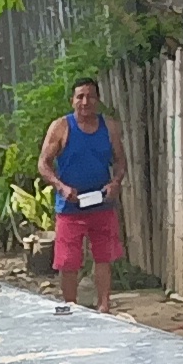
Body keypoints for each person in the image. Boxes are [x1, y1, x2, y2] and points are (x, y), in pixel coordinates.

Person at [39, 78, 124, 312]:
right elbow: (43, 164)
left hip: (101, 203)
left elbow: (120, 161)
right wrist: (61, 187)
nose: (85, 102)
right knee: (68, 261)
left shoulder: (109, 127)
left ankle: (104, 306)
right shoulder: (61, 127)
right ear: (72, 100)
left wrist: (115, 182)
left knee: (104, 257)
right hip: (70, 206)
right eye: (80, 97)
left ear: (98, 100)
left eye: (90, 96)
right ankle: (71, 307)